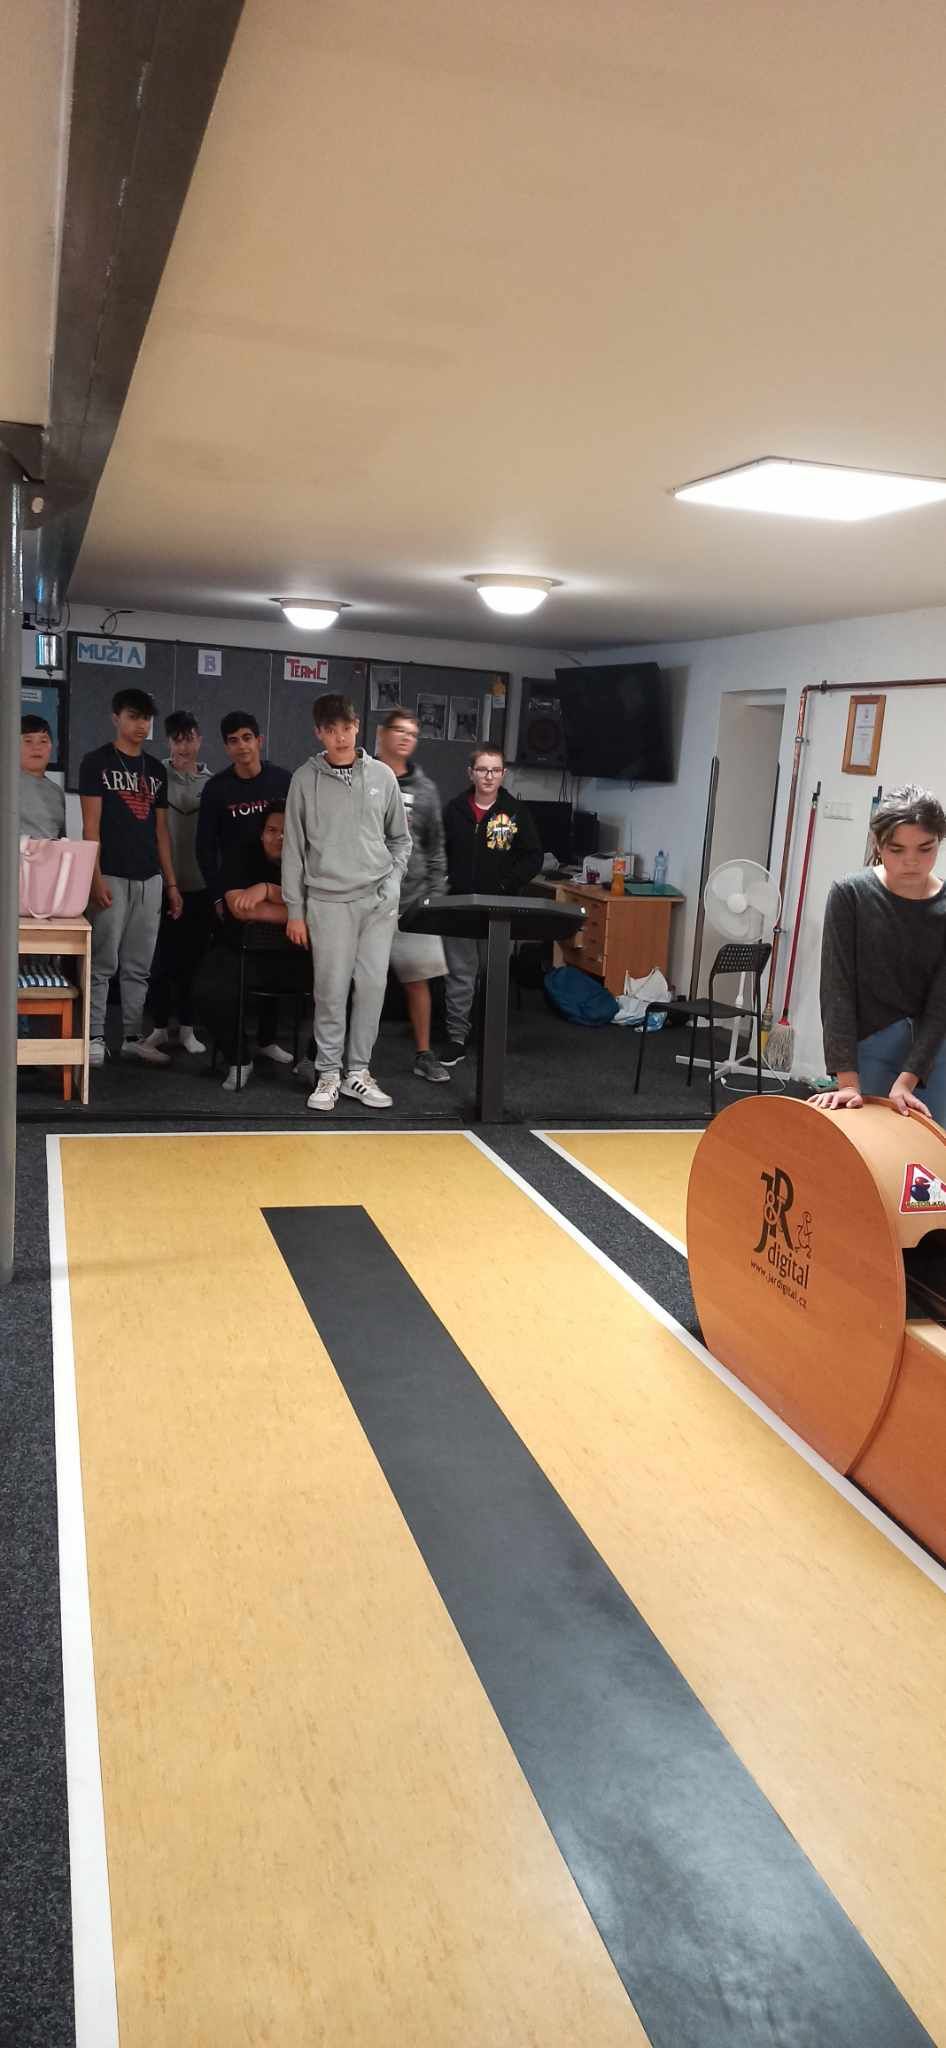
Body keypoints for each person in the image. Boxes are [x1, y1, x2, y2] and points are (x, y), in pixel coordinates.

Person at [282, 691, 411, 1113]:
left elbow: (401, 839)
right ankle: (328, 1074)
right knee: (331, 991)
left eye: (347, 727)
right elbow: (293, 849)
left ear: (357, 727)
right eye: (331, 730)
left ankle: (358, 1072)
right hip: (328, 902)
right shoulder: (304, 779)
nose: (340, 736)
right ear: (318, 733)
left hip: (377, 901)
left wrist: (393, 883)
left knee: (372, 988)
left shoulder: (382, 777)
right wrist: (295, 910)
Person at [812, 784, 946, 1123]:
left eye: (925, 848)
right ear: (878, 844)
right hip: (871, 1045)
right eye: (896, 849)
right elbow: (837, 988)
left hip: (936, 1050)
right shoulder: (850, 894)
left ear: (940, 841)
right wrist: (847, 1082)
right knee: (868, 1146)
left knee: (932, 1149)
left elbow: (941, 1002)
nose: (911, 861)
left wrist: (908, 1080)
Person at [79, 686, 182, 1066]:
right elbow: (90, 827)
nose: (141, 725)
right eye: (133, 717)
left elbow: (161, 832)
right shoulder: (96, 763)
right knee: (103, 961)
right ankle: (94, 1035)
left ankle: (133, 1037)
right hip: (111, 874)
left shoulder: (155, 770)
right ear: (116, 718)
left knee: (139, 965)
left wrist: (171, 883)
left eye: (146, 718)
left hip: (149, 878)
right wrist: (94, 878)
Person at [193, 808, 312, 1090]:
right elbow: (241, 909)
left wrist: (267, 890)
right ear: (261, 833)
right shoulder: (240, 856)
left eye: (286, 832)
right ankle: (239, 1059)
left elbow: (319, 911)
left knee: (344, 985)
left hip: (297, 954)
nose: (279, 837)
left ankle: (313, 1060)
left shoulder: (310, 860)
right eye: (272, 830)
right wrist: (296, 909)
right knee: (207, 990)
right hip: (241, 949)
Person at [438, 744, 542, 1062]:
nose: (489, 776)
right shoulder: (454, 810)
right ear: (471, 773)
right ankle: (457, 1037)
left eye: (495, 770)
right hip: (459, 905)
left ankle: (491, 1036)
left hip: (499, 909)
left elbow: (533, 857)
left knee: (494, 973)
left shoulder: (515, 812)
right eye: (482, 769)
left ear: (503, 774)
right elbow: (439, 852)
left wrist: (506, 884)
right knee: (460, 974)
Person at [375, 705, 450, 1083]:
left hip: (413, 902)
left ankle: (423, 1053)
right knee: (354, 983)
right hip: (369, 901)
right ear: (383, 733)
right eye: (400, 730)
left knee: (419, 982)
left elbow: (435, 847)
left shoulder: (425, 790)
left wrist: (433, 899)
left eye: (413, 733)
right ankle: (340, 1057)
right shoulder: (363, 776)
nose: (406, 738)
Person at [142, 710, 213, 1056]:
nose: (184, 747)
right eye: (177, 740)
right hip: (160, 883)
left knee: (191, 963)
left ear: (200, 740)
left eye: (189, 739)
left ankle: (187, 1028)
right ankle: (158, 1027)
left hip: (198, 887)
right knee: (159, 961)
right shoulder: (155, 776)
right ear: (168, 742)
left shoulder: (211, 783)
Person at [196, 711, 291, 910]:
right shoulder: (215, 789)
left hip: (281, 885)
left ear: (259, 741)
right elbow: (205, 848)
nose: (241, 746)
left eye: (247, 738)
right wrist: (217, 896)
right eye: (234, 741)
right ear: (227, 748)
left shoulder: (284, 780)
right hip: (236, 887)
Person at [19, 714, 66, 838]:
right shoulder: (6, 783)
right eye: (28, 741)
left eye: (43, 741)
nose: (37, 747)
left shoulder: (56, 791)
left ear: (52, 747)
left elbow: (62, 839)